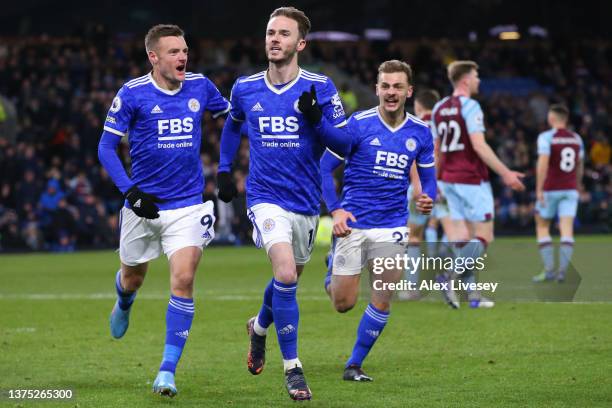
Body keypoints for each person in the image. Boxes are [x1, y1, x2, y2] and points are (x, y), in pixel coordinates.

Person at [216, 7, 350, 401]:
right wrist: (225, 168)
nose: (274, 39)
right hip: (264, 197)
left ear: (300, 44)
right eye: (270, 32)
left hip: (306, 202)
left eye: (283, 34)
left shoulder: (321, 88)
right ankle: (293, 368)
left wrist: (317, 122)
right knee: (287, 275)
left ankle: (258, 329)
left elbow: (344, 145)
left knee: (286, 280)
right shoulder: (245, 87)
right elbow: (232, 125)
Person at [98, 24, 229, 397]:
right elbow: (106, 148)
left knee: (183, 280)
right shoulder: (133, 93)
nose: (182, 57)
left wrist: (226, 167)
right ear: (153, 57)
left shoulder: (201, 86)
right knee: (133, 278)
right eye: (173, 52)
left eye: (184, 50)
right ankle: (123, 300)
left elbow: (233, 119)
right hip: (143, 206)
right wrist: (130, 192)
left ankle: (167, 371)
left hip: (188, 205)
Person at [321, 60, 436, 381]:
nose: (391, 92)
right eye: (385, 86)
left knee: (383, 297)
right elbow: (323, 168)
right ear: (376, 89)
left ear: (408, 91)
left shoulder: (421, 133)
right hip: (354, 223)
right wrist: (335, 210)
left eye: (398, 86)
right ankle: (331, 272)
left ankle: (354, 364)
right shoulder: (357, 124)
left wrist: (427, 198)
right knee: (343, 304)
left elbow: (430, 181)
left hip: (393, 227)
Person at [431, 60, 525, 308]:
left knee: (465, 239)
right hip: (471, 179)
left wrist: (436, 181)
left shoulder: (439, 108)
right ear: (465, 80)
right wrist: (506, 173)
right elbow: (479, 145)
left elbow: (436, 150)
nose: (478, 80)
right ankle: (449, 277)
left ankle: (472, 296)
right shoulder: (471, 107)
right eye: (476, 76)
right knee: (484, 236)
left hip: (448, 180)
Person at [399, 89, 455, 301]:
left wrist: (417, 184)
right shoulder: (445, 123)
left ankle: (410, 288)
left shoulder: (416, 124)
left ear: (419, 107)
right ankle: (444, 262)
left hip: (423, 185)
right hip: (449, 185)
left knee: (413, 236)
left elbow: (415, 155)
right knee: (454, 231)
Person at [533, 104, 584, 282]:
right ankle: (562, 271)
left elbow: (543, 164)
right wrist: (577, 185)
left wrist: (538, 189)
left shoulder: (546, 137)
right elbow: (579, 165)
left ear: (552, 119)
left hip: (550, 189)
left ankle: (548, 270)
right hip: (570, 189)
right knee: (566, 228)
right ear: (566, 119)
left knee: (542, 226)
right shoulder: (576, 139)